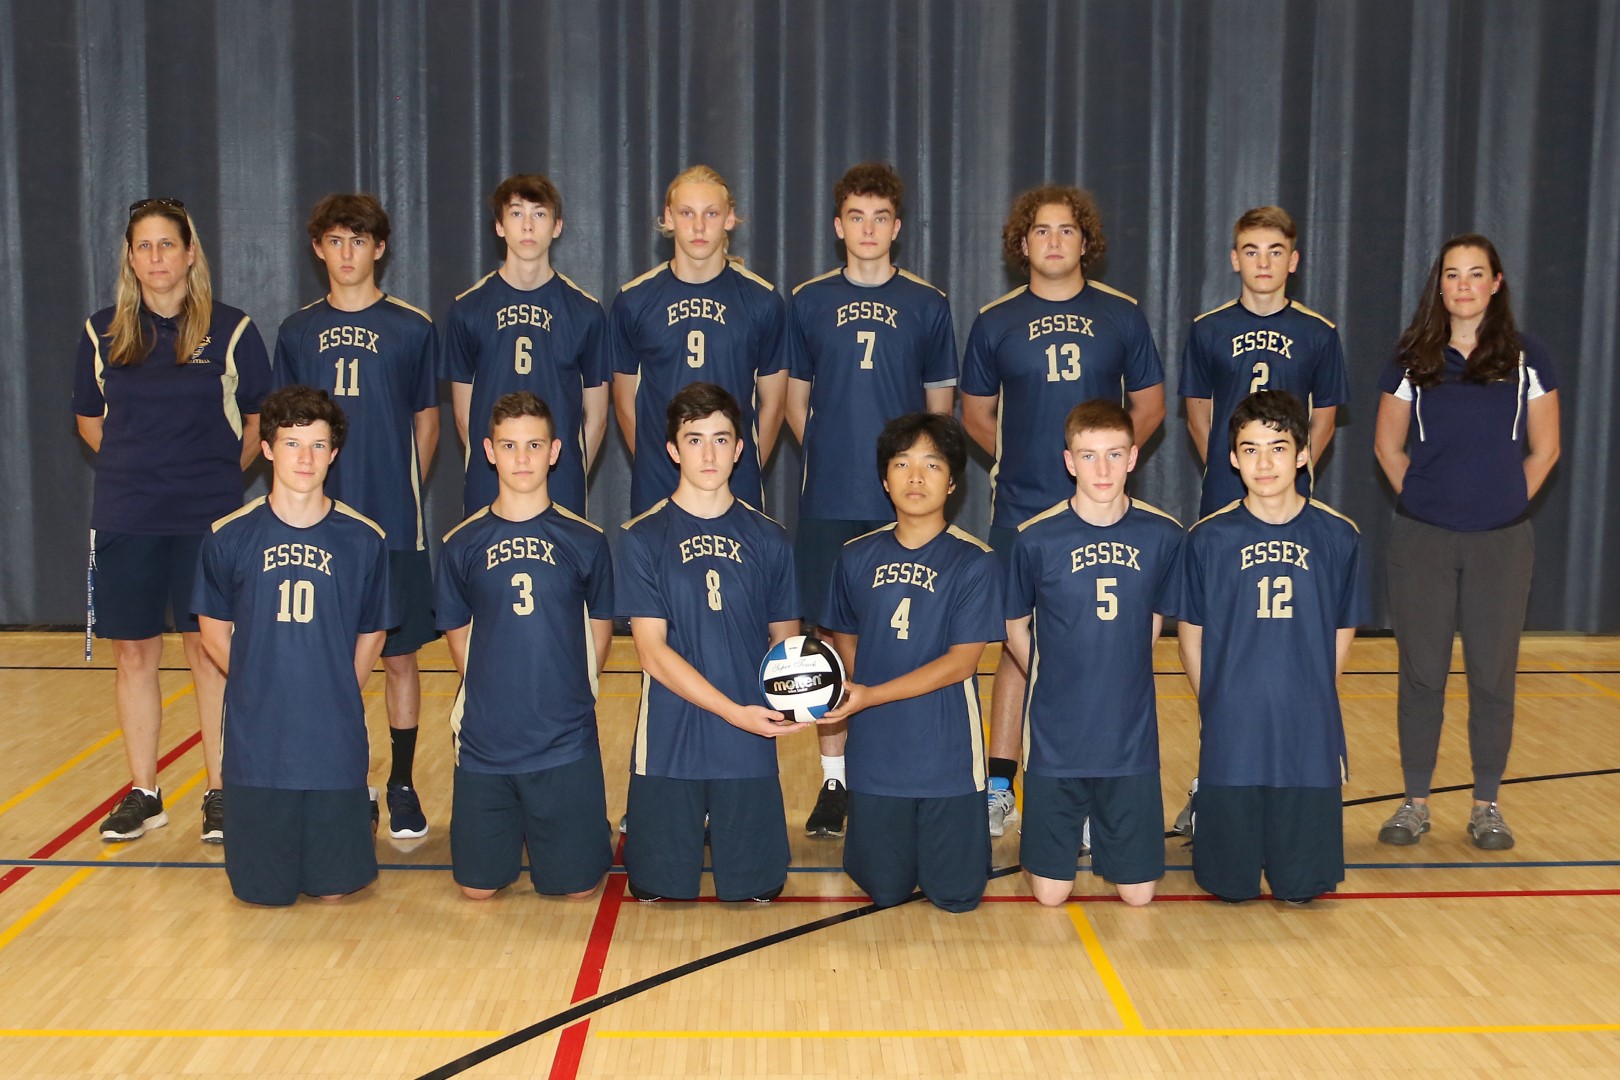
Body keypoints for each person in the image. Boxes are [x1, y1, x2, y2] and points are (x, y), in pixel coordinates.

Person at [960, 185, 1166, 838]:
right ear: (1022, 244)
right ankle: (1000, 786)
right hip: (1022, 510)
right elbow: (975, 413)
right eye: (1042, 231)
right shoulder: (994, 321)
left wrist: (1102, 471)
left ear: (1086, 242)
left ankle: (1091, 788)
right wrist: (1019, 461)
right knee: (1016, 647)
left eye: (1067, 230)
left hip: (1101, 513)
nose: (1054, 241)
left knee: (1102, 647)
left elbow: (1151, 406)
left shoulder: (1122, 315)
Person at [72, 197, 272, 845]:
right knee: (133, 653)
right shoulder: (101, 332)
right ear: (130, 259)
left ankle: (221, 791)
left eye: (167, 244)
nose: (156, 257)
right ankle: (144, 793)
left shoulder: (233, 330)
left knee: (207, 652)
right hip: (127, 515)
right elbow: (89, 421)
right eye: (144, 246)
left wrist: (214, 477)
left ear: (190, 254)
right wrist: (137, 469)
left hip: (206, 518)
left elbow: (259, 422)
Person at [785, 162, 958, 839]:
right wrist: (833, 456)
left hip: (904, 504)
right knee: (832, 642)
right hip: (831, 498)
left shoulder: (927, 303)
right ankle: (835, 782)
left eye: (880, 218)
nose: (868, 229)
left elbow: (940, 410)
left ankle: (901, 774)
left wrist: (914, 479)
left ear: (896, 226)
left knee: (904, 636)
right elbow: (796, 403)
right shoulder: (808, 300)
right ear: (839, 226)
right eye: (856, 217)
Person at [1373, 234, 1560, 850]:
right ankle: (1415, 802)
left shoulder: (1528, 357)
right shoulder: (1412, 357)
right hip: (1422, 540)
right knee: (1422, 675)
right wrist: (1424, 499)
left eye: (1476, 274)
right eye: (1452, 274)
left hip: (1500, 544)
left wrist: (1503, 503)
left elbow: (1546, 448)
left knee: (1492, 677)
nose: (1464, 285)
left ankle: (1486, 806)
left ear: (1496, 283)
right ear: (1440, 285)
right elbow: (1387, 445)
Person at [1171, 204, 1349, 836]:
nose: (1263, 262)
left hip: (1289, 510)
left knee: (1282, 643)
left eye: (1275, 251)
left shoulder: (1319, 333)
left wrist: (1287, 475)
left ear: (1293, 260)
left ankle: (1291, 779)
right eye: (1251, 250)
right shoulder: (1208, 329)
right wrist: (1236, 473)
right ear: (1234, 258)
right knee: (1218, 646)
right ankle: (1211, 782)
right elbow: (1198, 412)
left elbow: (1324, 416)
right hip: (1227, 506)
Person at [273, 193, 439, 839]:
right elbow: (284, 428)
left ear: (380, 247)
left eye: (359, 240)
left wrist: (399, 485)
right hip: (318, 525)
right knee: (327, 657)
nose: (347, 253)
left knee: (399, 657)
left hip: (392, 521)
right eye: (336, 241)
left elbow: (427, 423)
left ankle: (401, 783)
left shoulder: (413, 327)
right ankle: (343, 779)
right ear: (318, 249)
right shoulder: (296, 331)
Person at [193, 386, 394, 906]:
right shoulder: (228, 536)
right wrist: (255, 683)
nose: (305, 458)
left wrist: (340, 686)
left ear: (334, 453)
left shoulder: (363, 539)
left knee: (334, 891)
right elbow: (212, 631)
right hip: (258, 747)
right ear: (267, 449)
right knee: (263, 895)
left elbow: (373, 630)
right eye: (292, 443)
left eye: (318, 445)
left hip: (332, 742)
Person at [617, 382, 809, 902]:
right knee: (654, 888)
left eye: (721, 440)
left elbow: (786, 645)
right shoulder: (642, 537)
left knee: (759, 888)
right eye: (694, 439)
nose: (708, 454)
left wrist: (797, 702)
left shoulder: (770, 538)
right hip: (670, 741)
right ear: (673, 450)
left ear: (739, 449)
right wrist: (734, 712)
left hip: (746, 742)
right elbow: (652, 653)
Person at [1179, 391, 1367, 904]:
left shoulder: (1338, 535)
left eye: (1278, 448)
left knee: (1301, 887)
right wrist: (1212, 702)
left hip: (1305, 725)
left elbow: (1342, 627)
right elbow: (1191, 632)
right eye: (1251, 449)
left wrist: (1318, 695)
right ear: (1232, 458)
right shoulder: (1208, 538)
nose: (1264, 463)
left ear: (1303, 454)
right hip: (1234, 721)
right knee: (1229, 888)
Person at [1004, 400, 1184, 907]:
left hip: (1129, 739)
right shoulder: (1035, 538)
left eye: (1114, 454)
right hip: (1056, 738)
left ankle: (1101, 825)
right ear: (1069, 461)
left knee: (1138, 896)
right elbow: (1014, 625)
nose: (1102, 469)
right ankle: (1073, 826)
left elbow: (1154, 622)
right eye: (1088, 456)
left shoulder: (1163, 535)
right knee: (1050, 896)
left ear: (1133, 457)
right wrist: (1049, 674)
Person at [821, 413, 1003, 912]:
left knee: (956, 894)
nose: (916, 477)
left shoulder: (975, 561)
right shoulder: (855, 556)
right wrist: (861, 686)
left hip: (947, 758)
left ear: (953, 482)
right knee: (885, 891)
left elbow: (962, 663)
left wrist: (872, 693)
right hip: (877, 754)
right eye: (902, 464)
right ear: (885, 479)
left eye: (932, 464)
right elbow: (843, 634)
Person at [436, 392, 614, 900]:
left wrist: (568, 694)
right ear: (488, 451)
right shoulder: (461, 543)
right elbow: (458, 635)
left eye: (534, 445)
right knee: (477, 890)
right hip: (486, 745)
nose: (521, 458)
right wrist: (495, 699)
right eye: (509, 445)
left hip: (564, 741)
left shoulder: (586, 540)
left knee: (577, 890)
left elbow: (600, 630)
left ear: (555, 451)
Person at [610, 165, 788, 515]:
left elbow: (774, 404)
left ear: (729, 219)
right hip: (659, 484)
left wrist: (735, 464)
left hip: (736, 486)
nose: (699, 227)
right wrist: (659, 462)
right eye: (687, 213)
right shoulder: (633, 300)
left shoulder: (763, 301)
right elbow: (624, 402)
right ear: (668, 218)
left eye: (711, 213)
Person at [440, 174, 610, 518]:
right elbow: (463, 416)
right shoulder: (467, 309)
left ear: (557, 226)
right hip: (490, 481)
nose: (528, 226)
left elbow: (597, 418)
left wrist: (565, 469)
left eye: (539, 214)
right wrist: (502, 465)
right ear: (499, 226)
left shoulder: (586, 312)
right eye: (516, 213)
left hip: (560, 480)